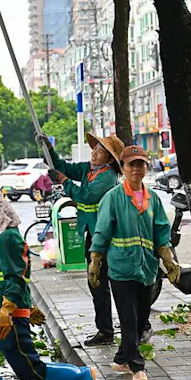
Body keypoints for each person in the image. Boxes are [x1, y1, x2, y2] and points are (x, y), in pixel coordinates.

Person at [0, 190, 96, 380]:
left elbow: (17, 276)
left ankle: (82, 376)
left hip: (7, 316)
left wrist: (9, 310)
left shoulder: (8, 237)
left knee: (29, 369)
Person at [88, 145, 178, 380]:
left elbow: (161, 231)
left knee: (140, 321)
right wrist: (95, 261)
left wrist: (168, 258)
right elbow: (102, 231)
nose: (136, 169)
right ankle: (138, 367)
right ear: (123, 168)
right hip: (121, 268)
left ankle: (122, 358)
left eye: (141, 164)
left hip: (147, 269)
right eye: (131, 165)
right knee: (129, 319)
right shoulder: (113, 198)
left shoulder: (153, 198)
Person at [37, 132, 123, 346]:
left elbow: (85, 195)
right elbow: (64, 167)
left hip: (106, 237)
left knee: (104, 283)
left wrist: (63, 181)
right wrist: (49, 149)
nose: (94, 154)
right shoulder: (89, 170)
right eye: (95, 150)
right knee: (96, 283)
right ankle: (105, 329)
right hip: (92, 234)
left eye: (100, 152)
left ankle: (113, 330)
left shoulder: (107, 176)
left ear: (109, 159)